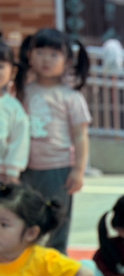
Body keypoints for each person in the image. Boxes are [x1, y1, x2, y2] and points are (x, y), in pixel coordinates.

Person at [15, 29, 91, 254]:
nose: (46, 59)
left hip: (58, 169)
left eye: (54, 54)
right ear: (29, 55)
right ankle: (27, 260)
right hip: (25, 168)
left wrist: (78, 170)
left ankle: (56, 259)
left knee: (57, 219)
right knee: (25, 217)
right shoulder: (22, 93)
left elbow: (80, 136)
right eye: (40, 52)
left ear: (67, 61)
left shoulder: (71, 97)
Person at [0, 37, 28, 184]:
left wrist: (12, 172)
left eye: (0, 66)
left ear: (12, 72)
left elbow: (19, 140)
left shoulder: (13, 107)